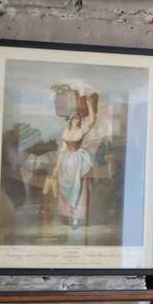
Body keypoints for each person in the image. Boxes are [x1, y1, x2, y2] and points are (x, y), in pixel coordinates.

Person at [48, 90, 98, 233]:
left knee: (79, 189)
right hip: (66, 163)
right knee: (66, 189)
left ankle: (77, 218)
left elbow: (92, 120)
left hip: (78, 161)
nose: (76, 120)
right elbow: (63, 149)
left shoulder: (81, 131)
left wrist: (89, 105)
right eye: (74, 119)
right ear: (71, 120)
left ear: (80, 120)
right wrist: (57, 167)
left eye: (78, 119)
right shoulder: (66, 132)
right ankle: (68, 215)